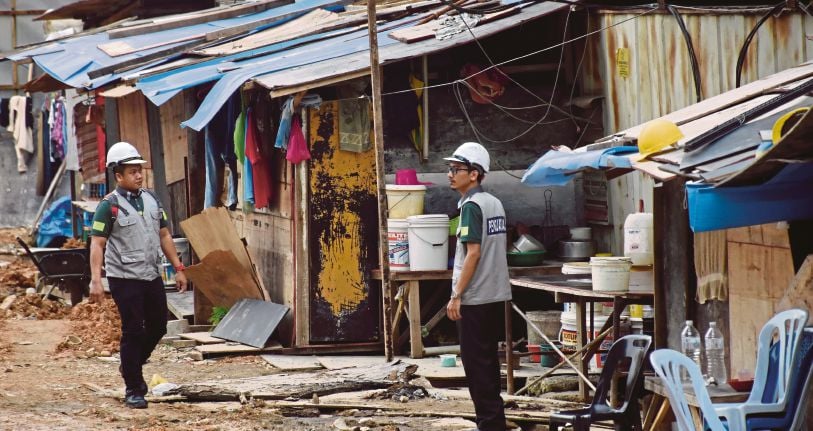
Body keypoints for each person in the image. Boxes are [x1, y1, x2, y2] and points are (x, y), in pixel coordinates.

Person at [89, 141, 188, 409]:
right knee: (133, 330)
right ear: (118, 175)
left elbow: (165, 234)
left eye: (139, 169)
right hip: (124, 278)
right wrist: (96, 280)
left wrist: (178, 268)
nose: (139, 175)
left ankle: (129, 364)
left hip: (150, 274)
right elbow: (97, 244)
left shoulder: (152, 199)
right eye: (132, 171)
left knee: (158, 326)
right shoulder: (108, 206)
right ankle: (134, 388)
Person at [445, 142, 511, 431]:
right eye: (450, 169)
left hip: (475, 298)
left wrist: (457, 294)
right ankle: (494, 420)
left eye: (456, 169)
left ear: (474, 174)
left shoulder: (472, 207)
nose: (450, 174)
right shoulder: (494, 203)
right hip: (495, 295)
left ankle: (490, 424)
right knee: (488, 362)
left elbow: (473, 253)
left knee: (476, 365)